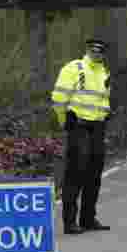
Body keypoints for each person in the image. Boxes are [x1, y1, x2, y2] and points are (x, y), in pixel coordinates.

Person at [51, 38, 112, 234]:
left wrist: (106, 113)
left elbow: (103, 99)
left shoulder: (104, 72)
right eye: (93, 50)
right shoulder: (74, 68)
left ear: (103, 54)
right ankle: (70, 221)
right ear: (87, 50)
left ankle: (88, 218)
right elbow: (59, 97)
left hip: (98, 127)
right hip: (79, 126)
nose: (96, 54)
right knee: (76, 173)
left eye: (99, 51)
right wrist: (64, 120)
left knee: (94, 174)